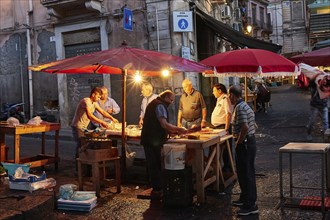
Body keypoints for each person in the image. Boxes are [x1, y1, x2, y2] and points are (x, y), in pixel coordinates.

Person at [140, 90, 186, 200]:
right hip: (152, 140)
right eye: (171, 100)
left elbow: (162, 126)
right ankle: (157, 189)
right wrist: (179, 129)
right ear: (165, 97)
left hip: (153, 139)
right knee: (154, 164)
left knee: (155, 163)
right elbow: (163, 123)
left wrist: (170, 131)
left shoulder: (155, 103)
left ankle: (158, 187)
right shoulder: (159, 105)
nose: (171, 102)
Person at [229, 85, 258, 216]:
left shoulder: (240, 108)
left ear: (232, 95)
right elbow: (254, 124)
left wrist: (239, 142)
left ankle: (250, 205)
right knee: (242, 171)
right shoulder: (245, 105)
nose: (229, 98)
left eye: (230, 95)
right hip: (249, 142)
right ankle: (244, 197)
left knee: (246, 173)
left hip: (245, 144)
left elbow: (245, 127)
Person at [71, 87, 119, 164]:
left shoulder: (95, 103)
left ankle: (85, 164)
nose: (99, 98)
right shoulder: (85, 101)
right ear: (93, 94)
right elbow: (90, 115)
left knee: (85, 145)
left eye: (100, 97)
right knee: (81, 145)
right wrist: (101, 122)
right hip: (77, 126)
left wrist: (111, 118)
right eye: (98, 96)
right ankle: (79, 167)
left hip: (83, 127)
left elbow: (103, 112)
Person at [211, 83, 233, 174]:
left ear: (219, 91)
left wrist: (226, 129)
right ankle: (220, 167)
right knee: (220, 149)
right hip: (218, 127)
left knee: (226, 149)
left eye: (214, 91)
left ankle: (227, 168)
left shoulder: (225, 99)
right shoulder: (219, 99)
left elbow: (228, 114)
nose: (213, 93)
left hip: (223, 126)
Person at [306, 72, 329, 141]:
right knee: (312, 122)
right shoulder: (316, 84)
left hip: (324, 105)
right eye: (324, 78)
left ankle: (326, 136)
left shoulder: (328, 85)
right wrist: (317, 74)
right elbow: (310, 81)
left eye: (326, 79)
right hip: (315, 105)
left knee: (325, 122)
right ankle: (309, 134)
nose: (325, 81)